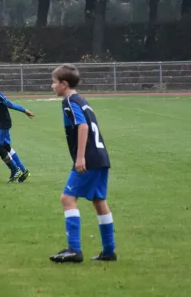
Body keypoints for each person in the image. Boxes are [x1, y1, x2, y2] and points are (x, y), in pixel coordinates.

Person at [48, 64, 117, 263]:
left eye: (54, 82)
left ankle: (74, 250)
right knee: (99, 201)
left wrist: (80, 157)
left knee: (67, 199)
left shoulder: (69, 101)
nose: (52, 86)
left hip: (89, 159)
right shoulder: (82, 100)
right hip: (101, 157)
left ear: (64, 83)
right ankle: (109, 251)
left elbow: (83, 125)